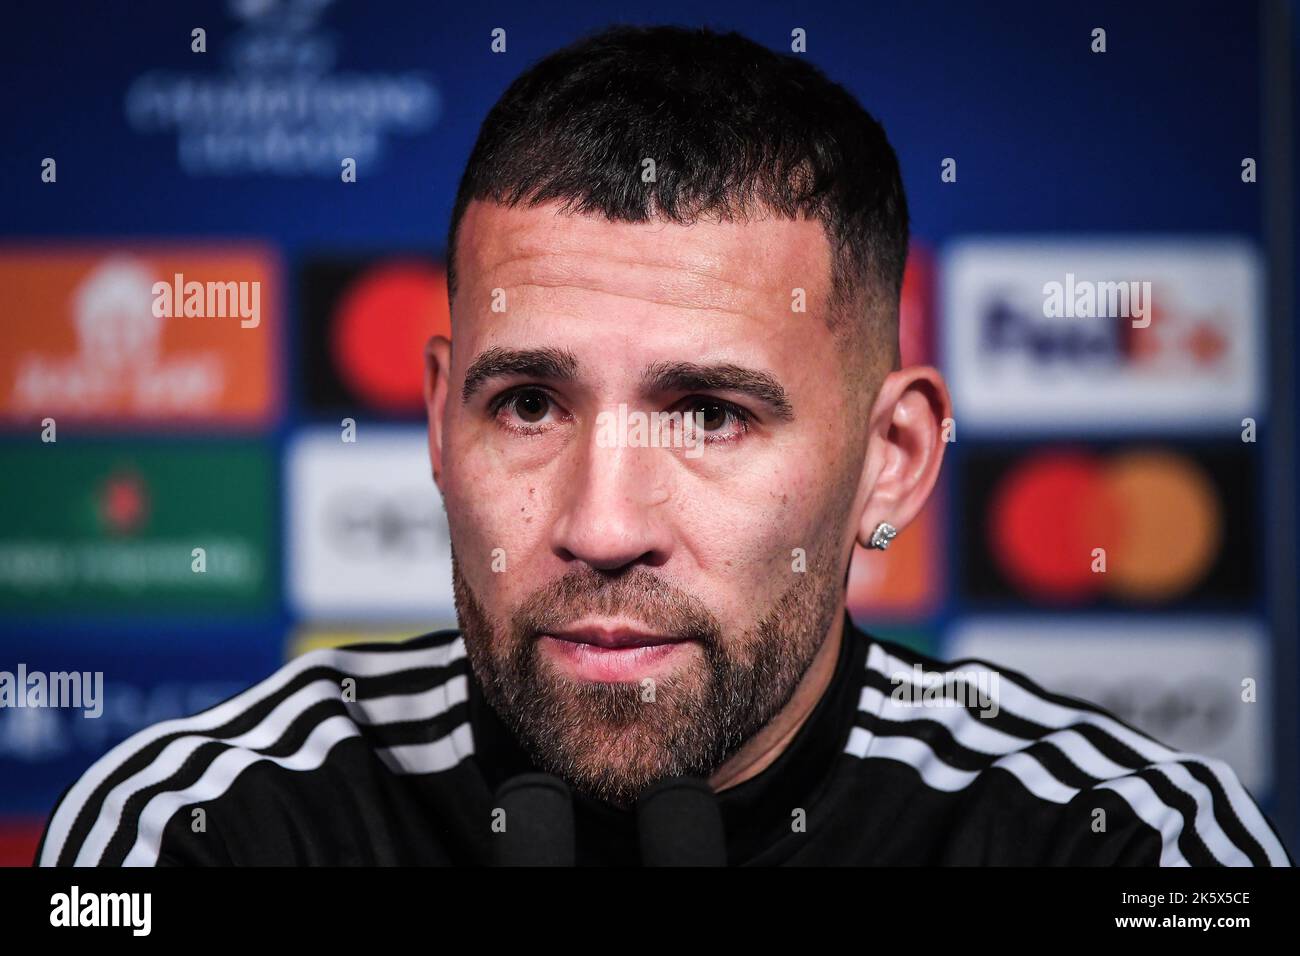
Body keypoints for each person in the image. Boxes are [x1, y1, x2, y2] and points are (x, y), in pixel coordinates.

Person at [36, 24, 1291, 867]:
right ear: (435, 422)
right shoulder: (194, 834)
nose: (601, 522)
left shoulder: (1130, 848)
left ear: (891, 459)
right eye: (527, 402)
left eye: (712, 414)